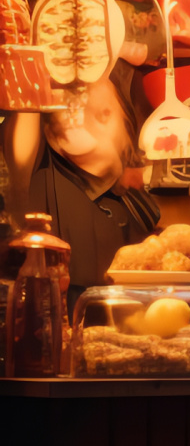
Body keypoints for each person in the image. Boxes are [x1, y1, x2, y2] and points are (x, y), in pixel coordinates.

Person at [1, 64, 160, 298]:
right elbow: (21, 149)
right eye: (70, 109)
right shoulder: (44, 168)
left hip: (120, 298)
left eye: (103, 114)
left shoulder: (129, 199)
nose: (81, 123)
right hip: (53, 299)